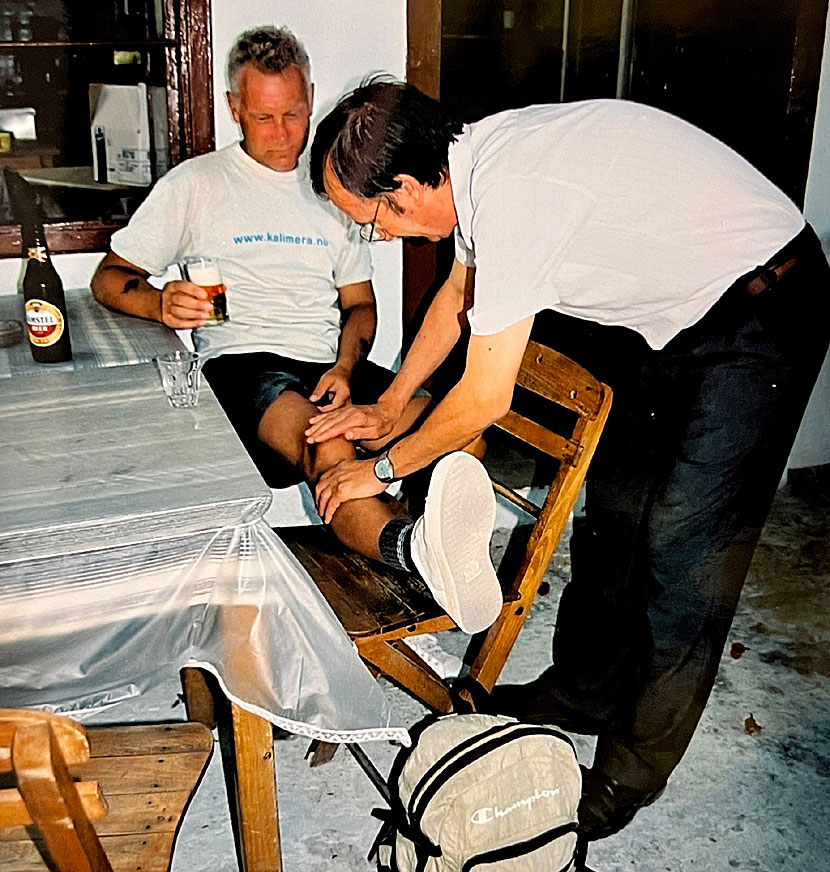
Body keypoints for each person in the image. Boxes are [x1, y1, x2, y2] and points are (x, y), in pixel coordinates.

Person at [304, 79, 830, 842]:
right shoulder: (472, 163)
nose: (381, 236)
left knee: (686, 548)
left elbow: (483, 399)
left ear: (410, 187)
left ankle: (629, 771)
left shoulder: (518, 189)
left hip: (763, 306)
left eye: (374, 220)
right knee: (611, 519)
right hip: (676, 318)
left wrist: (380, 471)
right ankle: (585, 690)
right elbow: (458, 294)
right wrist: (392, 404)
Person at [90, 31, 503, 637]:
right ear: (235, 108)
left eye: (294, 114)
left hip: (326, 362)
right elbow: (108, 277)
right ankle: (412, 554)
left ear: (311, 98)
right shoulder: (195, 184)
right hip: (241, 365)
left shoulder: (334, 183)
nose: (283, 133)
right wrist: (159, 303)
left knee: (456, 432)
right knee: (327, 446)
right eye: (263, 117)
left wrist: (343, 367)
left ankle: (420, 550)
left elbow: (360, 307)